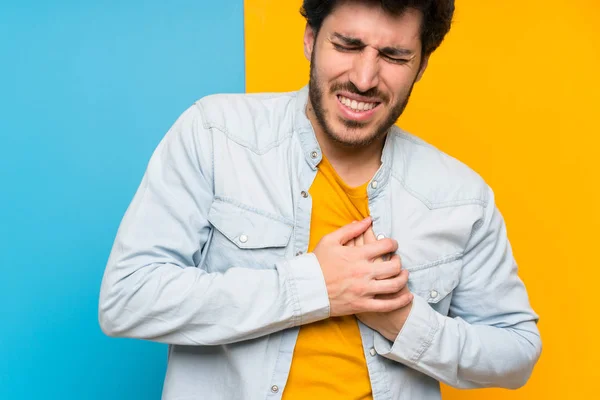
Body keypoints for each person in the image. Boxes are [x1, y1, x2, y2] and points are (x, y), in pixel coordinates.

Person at [98, 1, 542, 399]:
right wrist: (314, 287)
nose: (364, 79)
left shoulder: (461, 197)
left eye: (393, 56)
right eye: (347, 45)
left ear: (422, 65)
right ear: (311, 39)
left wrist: (407, 325)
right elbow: (127, 298)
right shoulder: (215, 135)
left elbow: (517, 350)